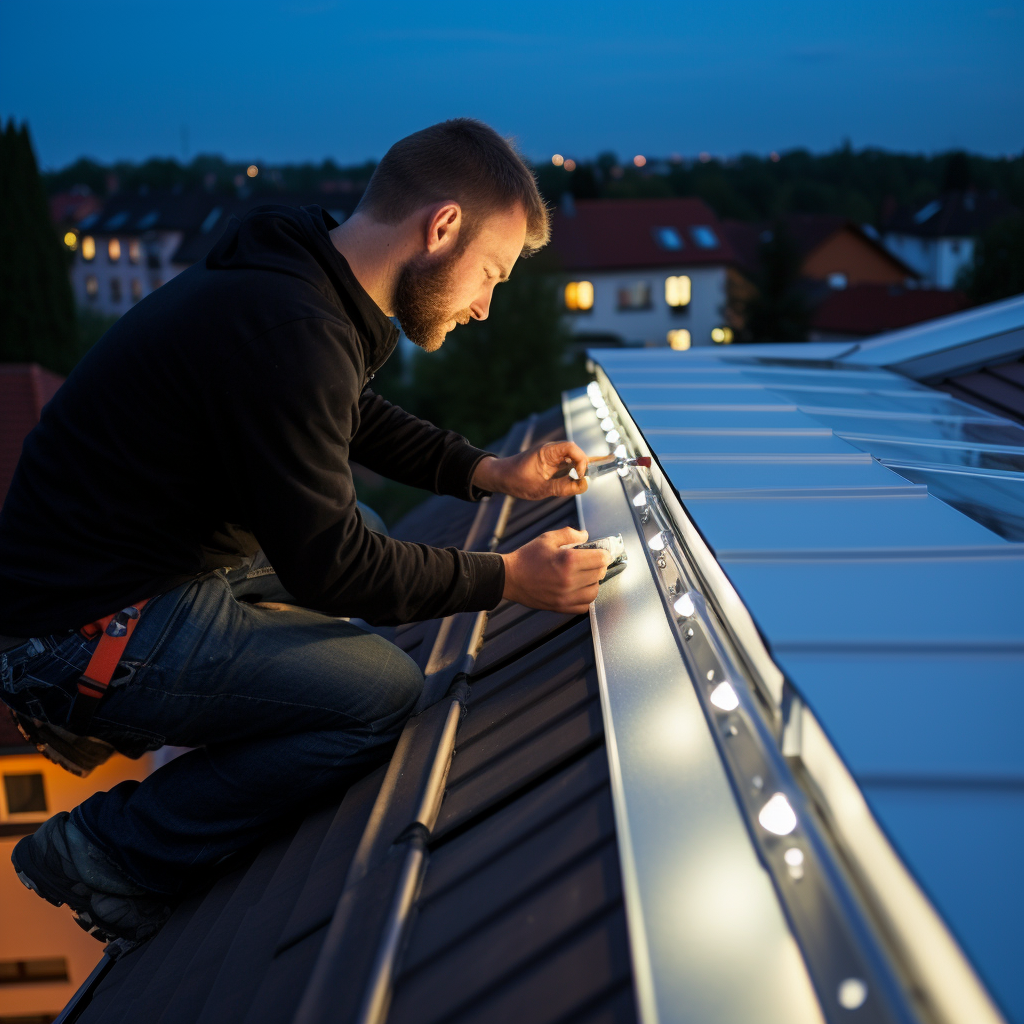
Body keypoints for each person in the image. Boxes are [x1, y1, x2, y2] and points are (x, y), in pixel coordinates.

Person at [0, 119, 609, 944]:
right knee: (379, 695)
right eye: (490, 275)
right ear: (441, 229)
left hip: (122, 569)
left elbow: (343, 412)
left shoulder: (301, 271)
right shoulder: (293, 326)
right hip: (79, 629)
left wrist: (485, 471)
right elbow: (333, 568)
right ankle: (109, 852)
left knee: (358, 520)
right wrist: (509, 580)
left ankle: (241, 683)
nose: (483, 308)